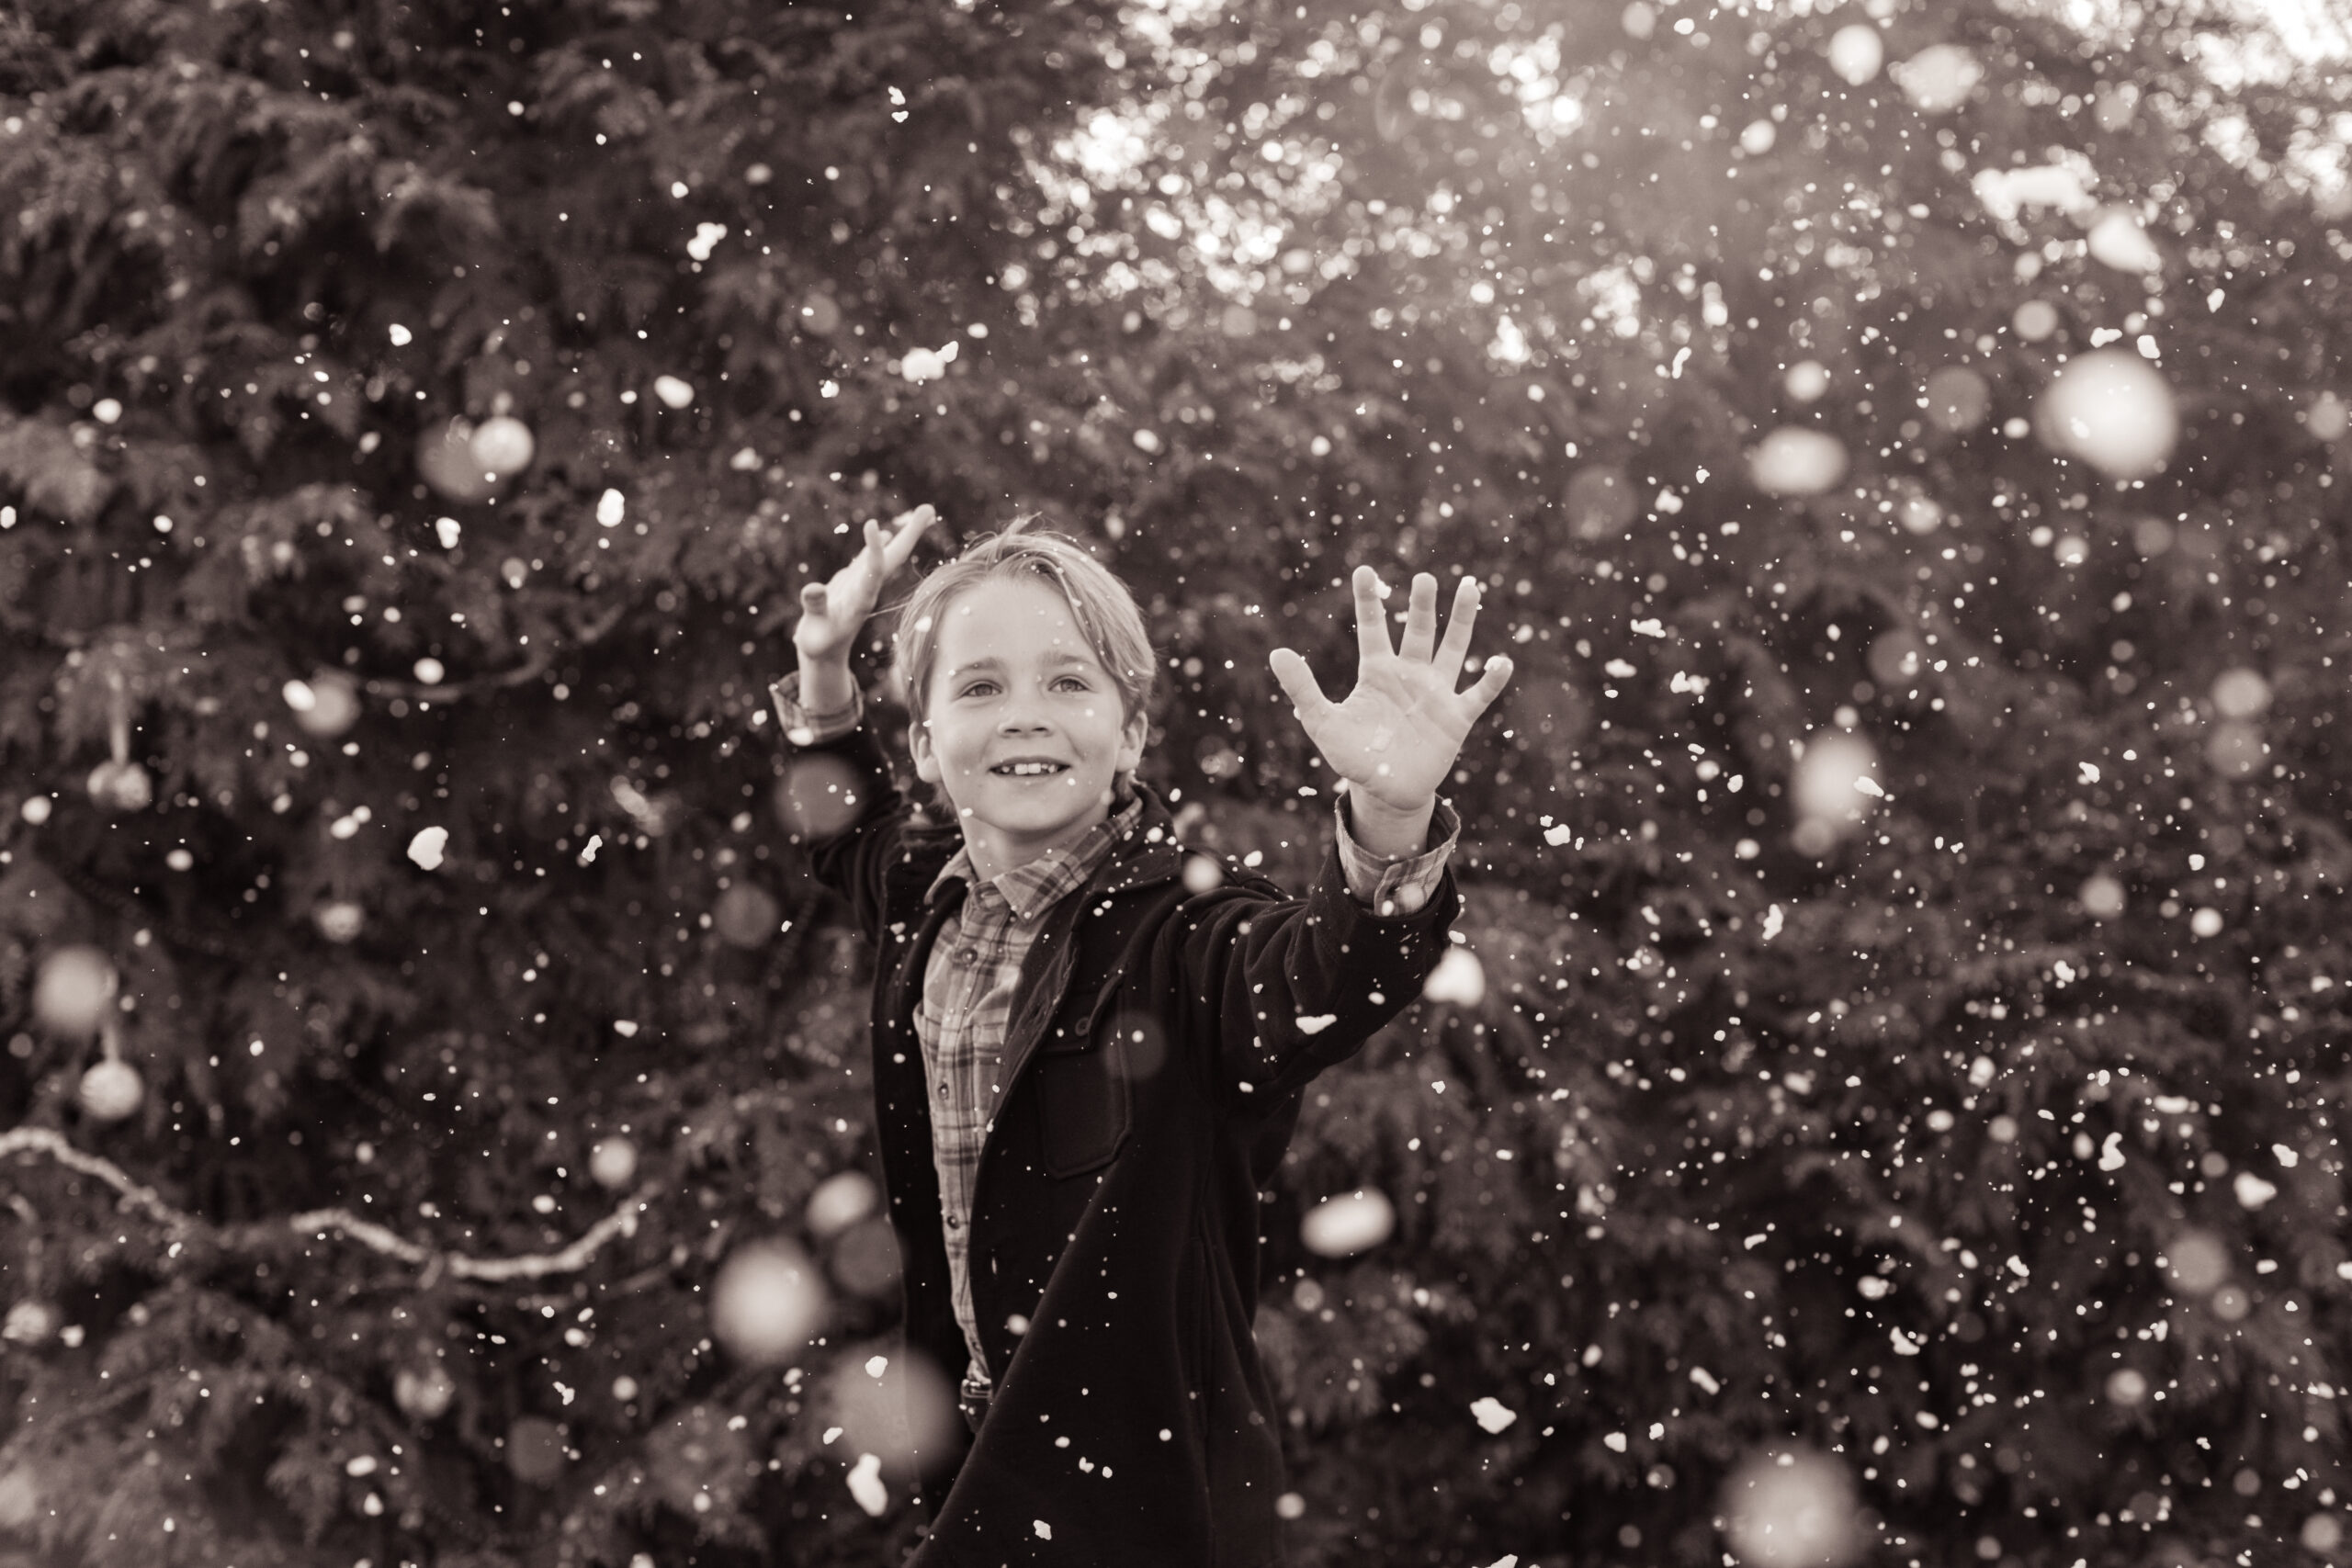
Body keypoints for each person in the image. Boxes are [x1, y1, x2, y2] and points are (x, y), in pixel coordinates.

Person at [770, 504, 1513, 1566]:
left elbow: (1327, 970)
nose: (1025, 714)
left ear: (1128, 734)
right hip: (979, 1470)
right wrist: (823, 668)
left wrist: (1390, 818)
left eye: (1068, 681)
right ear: (928, 747)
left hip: (1143, 1507)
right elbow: (843, 825)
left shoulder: (1190, 943)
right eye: (980, 686)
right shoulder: (925, 898)